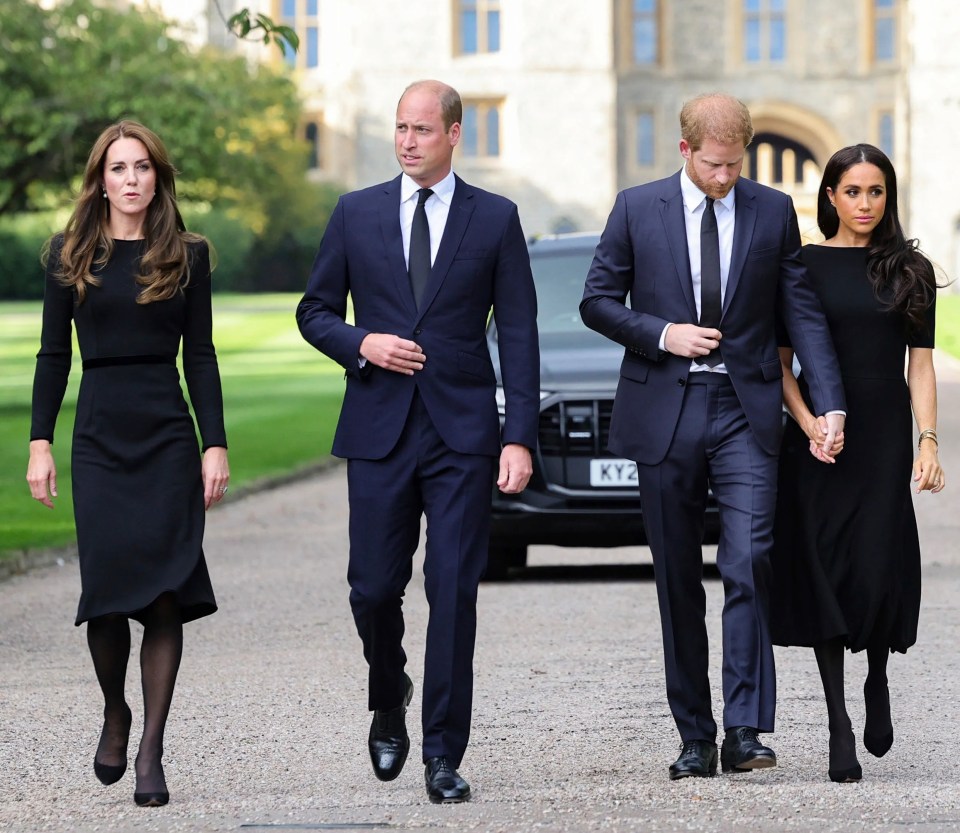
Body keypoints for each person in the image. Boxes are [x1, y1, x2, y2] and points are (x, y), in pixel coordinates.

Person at [580, 93, 847, 781]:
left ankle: (745, 729)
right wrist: (664, 334)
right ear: (684, 150)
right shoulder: (637, 208)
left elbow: (802, 313)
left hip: (745, 408)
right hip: (664, 406)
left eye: (735, 163)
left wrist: (829, 402)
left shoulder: (772, 210)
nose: (725, 176)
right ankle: (694, 735)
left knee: (751, 559)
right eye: (713, 164)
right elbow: (598, 300)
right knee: (676, 576)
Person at [296, 80, 539, 803]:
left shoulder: (495, 219)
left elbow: (520, 334)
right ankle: (387, 686)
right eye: (400, 128)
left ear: (454, 133)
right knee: (372, 587)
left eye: (422, 129)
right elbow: (313, 311)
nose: (406, 140)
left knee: (454, 589)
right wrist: (361, 340)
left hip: (463, 433)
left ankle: (443, 752)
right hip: (377, 428)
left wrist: (517, 436)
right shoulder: (355, 212)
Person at [26, 120, 229, 808]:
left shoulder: (189, 255)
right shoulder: (69, 253)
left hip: (167, 434)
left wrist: (215, 442)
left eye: (142, 166)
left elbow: (199, 355)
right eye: (119, 168)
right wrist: (39, 441)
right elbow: (53, 355)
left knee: (165, 593)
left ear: (157, 176)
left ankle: (151, 748)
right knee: (109, 595)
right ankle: (116, 709)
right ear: (101, 178)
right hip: (100, 436)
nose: (132, 179)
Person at [771, 144, 944, 783]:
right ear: (831, 198)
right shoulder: (803, 268)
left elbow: (921, 365)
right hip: (818, 437)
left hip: (881, 437)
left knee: (874, 562)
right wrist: (809, 421)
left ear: (888, 197)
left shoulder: (910, 269)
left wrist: (928, 439)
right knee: (825, 565)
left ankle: (876, 676)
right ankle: (837, 720)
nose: (865, 204)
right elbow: (782, 364)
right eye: (852, 192)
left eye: (876, 192)